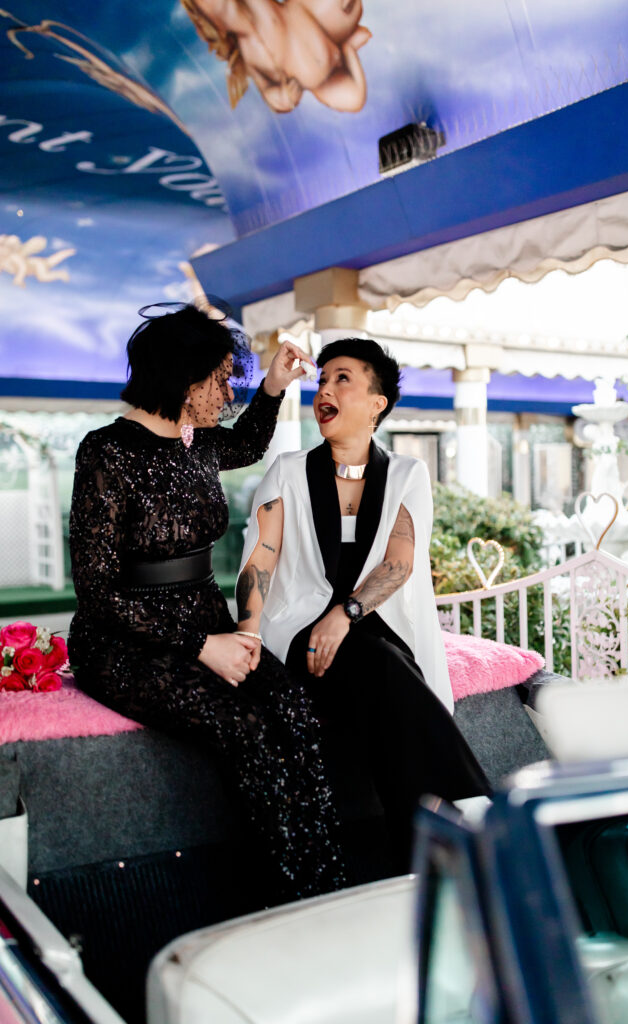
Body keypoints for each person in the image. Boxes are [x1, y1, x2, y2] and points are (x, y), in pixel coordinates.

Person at [67, 303, 344, 902]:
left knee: (294, 708)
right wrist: (203, 646)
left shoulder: (199, 445)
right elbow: (94, 588)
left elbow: (247, 441)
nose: (228, 389)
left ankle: (329, 885)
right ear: (182, 379)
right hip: (123, 640)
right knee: (242, 725)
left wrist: (273, 386)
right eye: (219, 379)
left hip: (203, 621)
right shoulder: (107, 452)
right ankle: (283, 896)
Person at [237, 337, 490, 875]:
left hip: (372, 636)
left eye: (342, 379)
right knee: (381, 666)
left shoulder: (406, 474)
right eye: (322, 379)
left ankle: (420, 857)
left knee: (381, 666)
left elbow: (398, 563)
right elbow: (260, 557)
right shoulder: (287, 472)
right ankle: (474, 822)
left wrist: (345, 614)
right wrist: (248, 636)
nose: (324, 389)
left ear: (378, 402)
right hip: (303, 641)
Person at [182, 0, 371, 113]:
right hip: (321, 70)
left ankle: (345, 45)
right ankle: (348, 48)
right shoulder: (251, 53)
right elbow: (267, 91)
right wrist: (284, 97)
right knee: (353, 99)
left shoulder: (255, 5)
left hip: (316, 20)